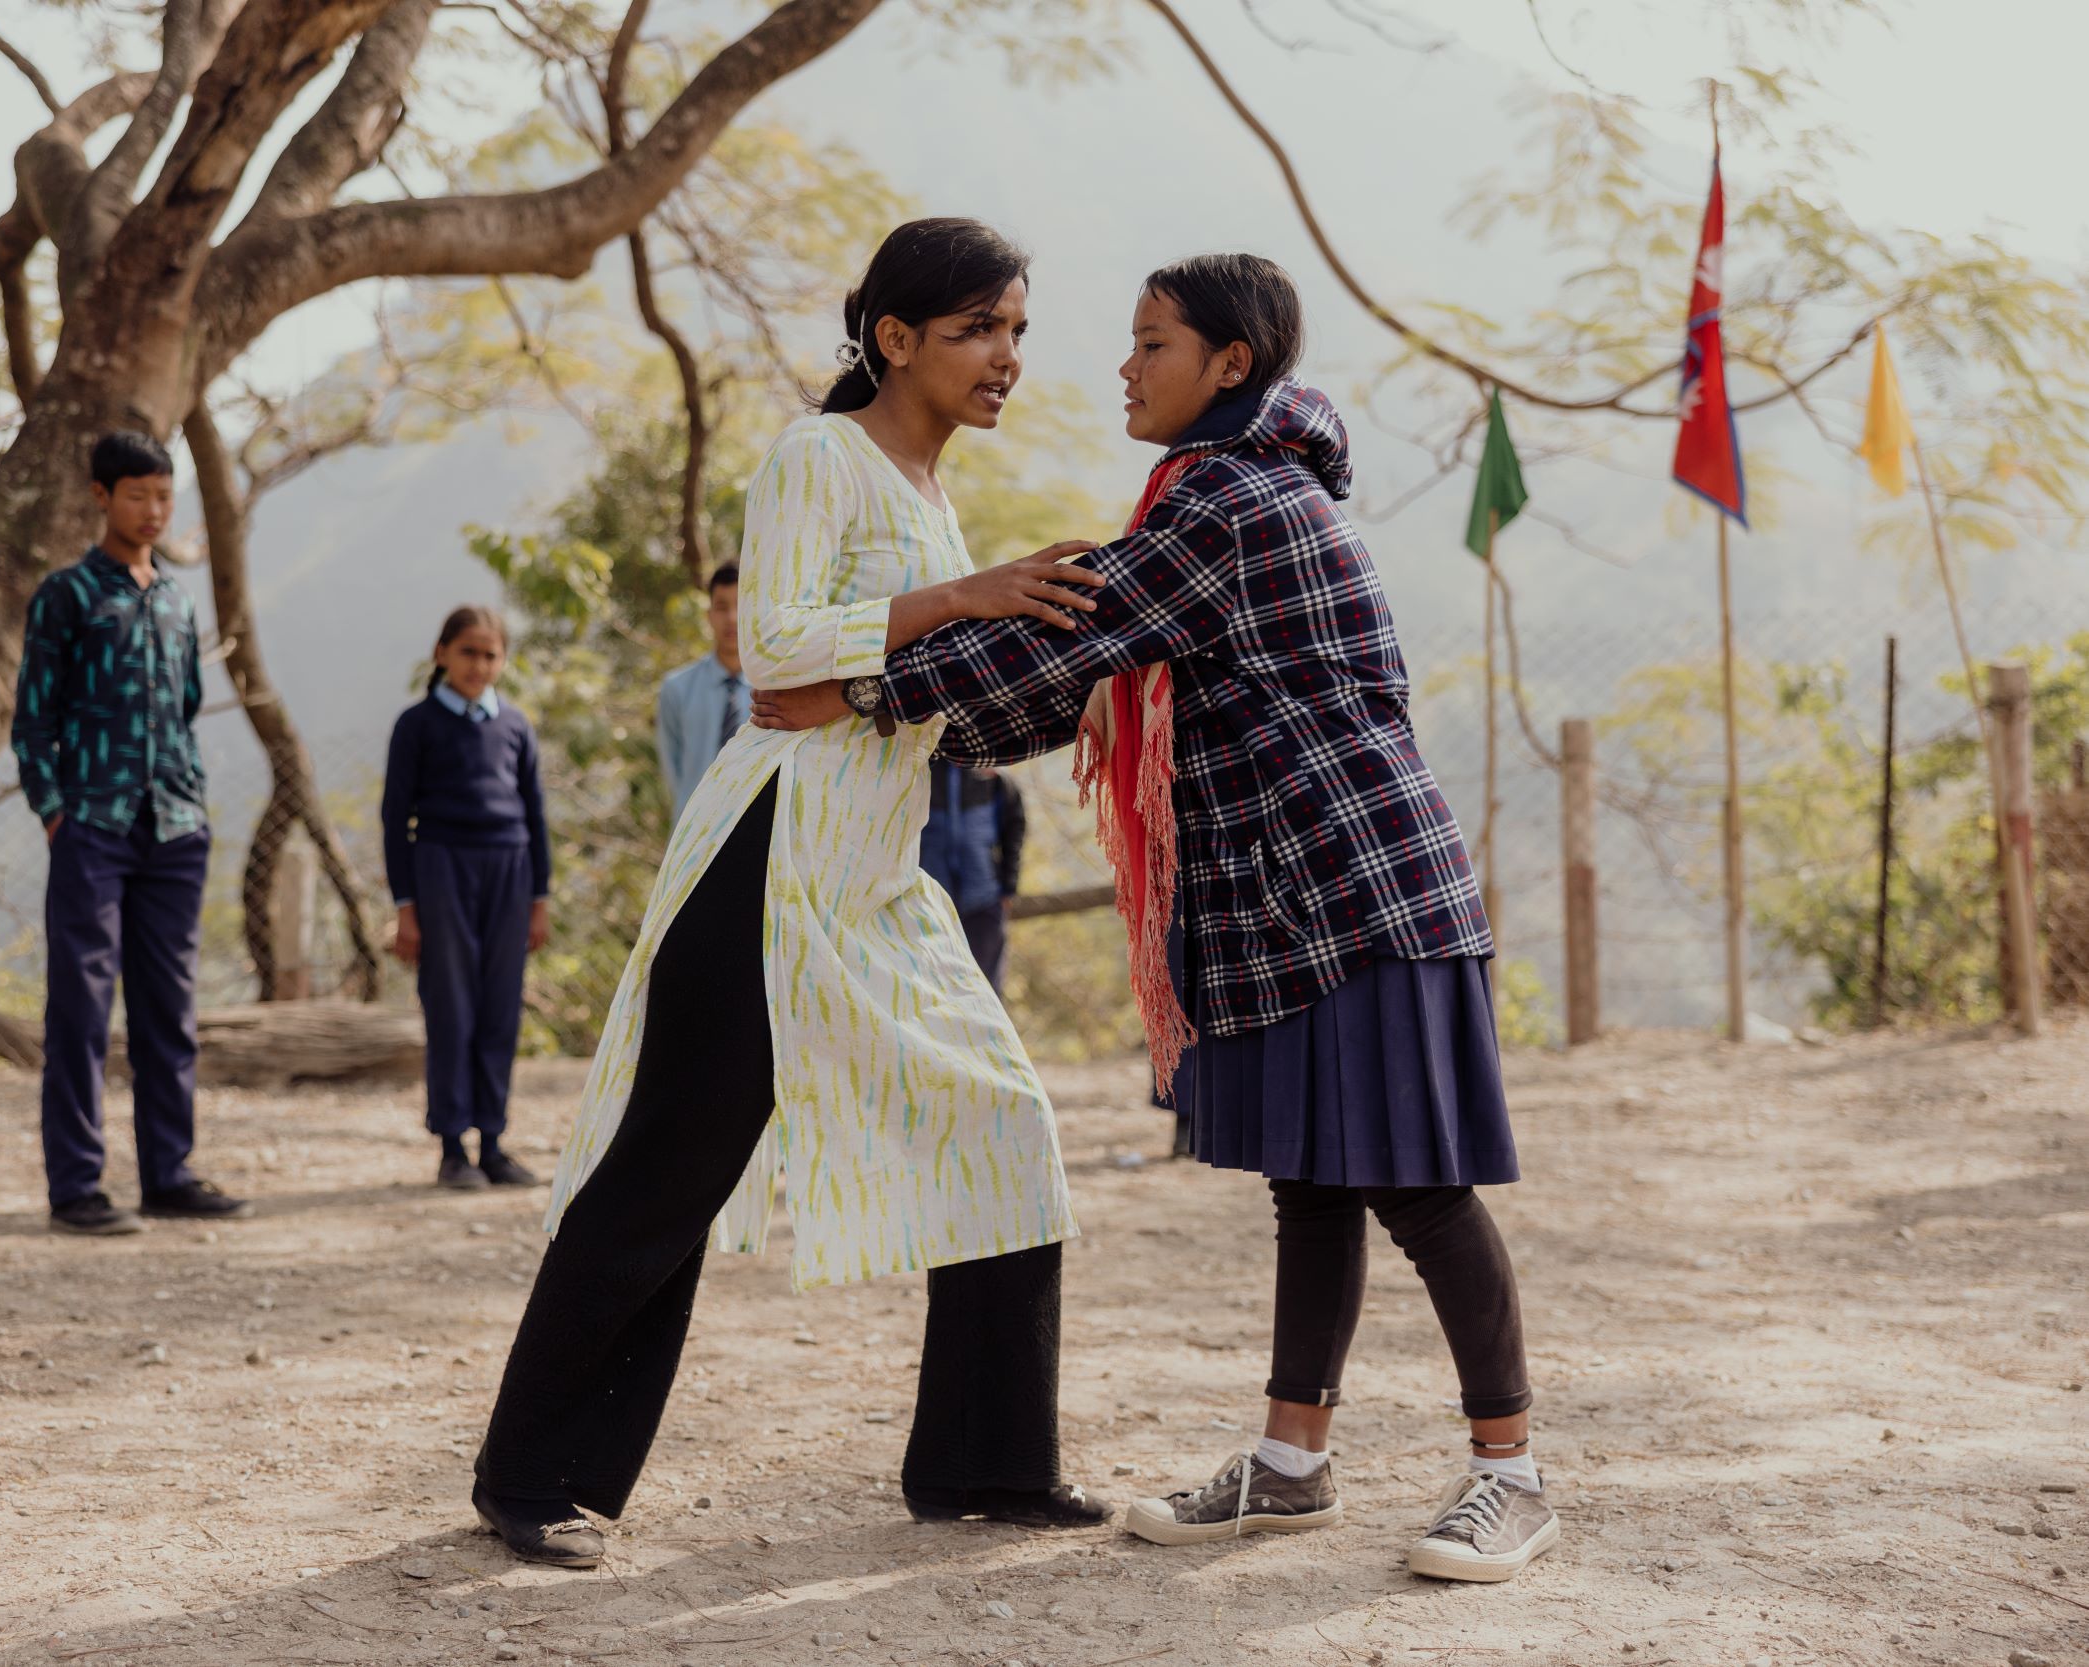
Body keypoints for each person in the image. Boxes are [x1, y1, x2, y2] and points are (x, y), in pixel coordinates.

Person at [754, 254, 1555, 1583]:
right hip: (1302, 892)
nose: (1123, 366)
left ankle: (1511, 1472)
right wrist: (903, 703)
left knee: (1418, 1184)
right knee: (1316, 1182)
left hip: (1357, 886)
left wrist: (862, 689)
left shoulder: (1228, 504)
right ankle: (1293, 1462)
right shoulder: (1222, 495)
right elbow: (1074, 679)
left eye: (1153, 344)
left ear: (1229, 364)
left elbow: (1072, 635)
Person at [470, 218, 1115, 1569]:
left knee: (1002, 1122)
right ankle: (532, 1473)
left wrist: (1075, 678)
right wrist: (963, 598)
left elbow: (889, 693)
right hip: (767, 862)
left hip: (878, 876)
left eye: (1016, 332)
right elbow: (774, 666)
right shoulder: (820, 454)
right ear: (894, 338)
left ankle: (984, 1462)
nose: (1005, 358)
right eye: (976, 329)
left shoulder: (932, 498)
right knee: (669, 1169)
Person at [12, 431, 250, 1236]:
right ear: (101, 496)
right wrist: (56, 811)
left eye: (163, 495)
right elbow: (33, 719)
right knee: (81, 1008)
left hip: (175, 827)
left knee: (169, 1007)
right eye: (137, 494)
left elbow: (182, 708)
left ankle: (168, 1174)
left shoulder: (178, 599)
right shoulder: (67, 595)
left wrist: (189, 798)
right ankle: (76, 1186)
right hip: (93, 826)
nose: (152, 511)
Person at [384, 605, 551, 1190]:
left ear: (502, 659)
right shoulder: (418, 724)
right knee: (451, 1005)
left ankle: (494, 1143)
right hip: (442, 870)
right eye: (468, 652)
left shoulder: (515, 726)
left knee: (500, 1007)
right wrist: (407, 906)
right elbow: (393, 819)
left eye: (490, 654)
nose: (479, 665)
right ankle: (453, 1146)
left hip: (510, 870)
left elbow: (535, 814)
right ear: (442, 654)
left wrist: (539, 898)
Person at [917, 760, 1024, 990]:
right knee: (935, 988)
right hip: (931, 902)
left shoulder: (994, 778)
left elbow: (1014, 829)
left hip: (984, 900)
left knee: (985, 987)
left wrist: (1008, 888)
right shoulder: (920, 771)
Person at [655, 563, 748, 821]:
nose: (731, 617)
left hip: (758, 835)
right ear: (709, 615)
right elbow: (673, 771)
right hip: (693, 832)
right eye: (721, 607)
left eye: (740, 605)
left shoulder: (776, 690)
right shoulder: (676, 688)